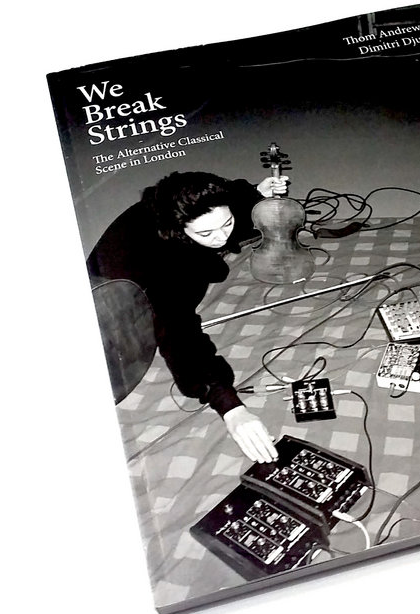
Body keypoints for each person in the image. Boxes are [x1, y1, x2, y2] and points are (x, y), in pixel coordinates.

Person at [87, 170, 288, 463]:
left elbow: (232, 193)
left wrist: (257, 192)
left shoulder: (194, 202)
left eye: (227, 224)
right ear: (179, 229)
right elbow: (180, 334)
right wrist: (230, 407)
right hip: (113, 299)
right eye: (206, 234)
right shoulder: (167, 260)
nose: (222, 237)